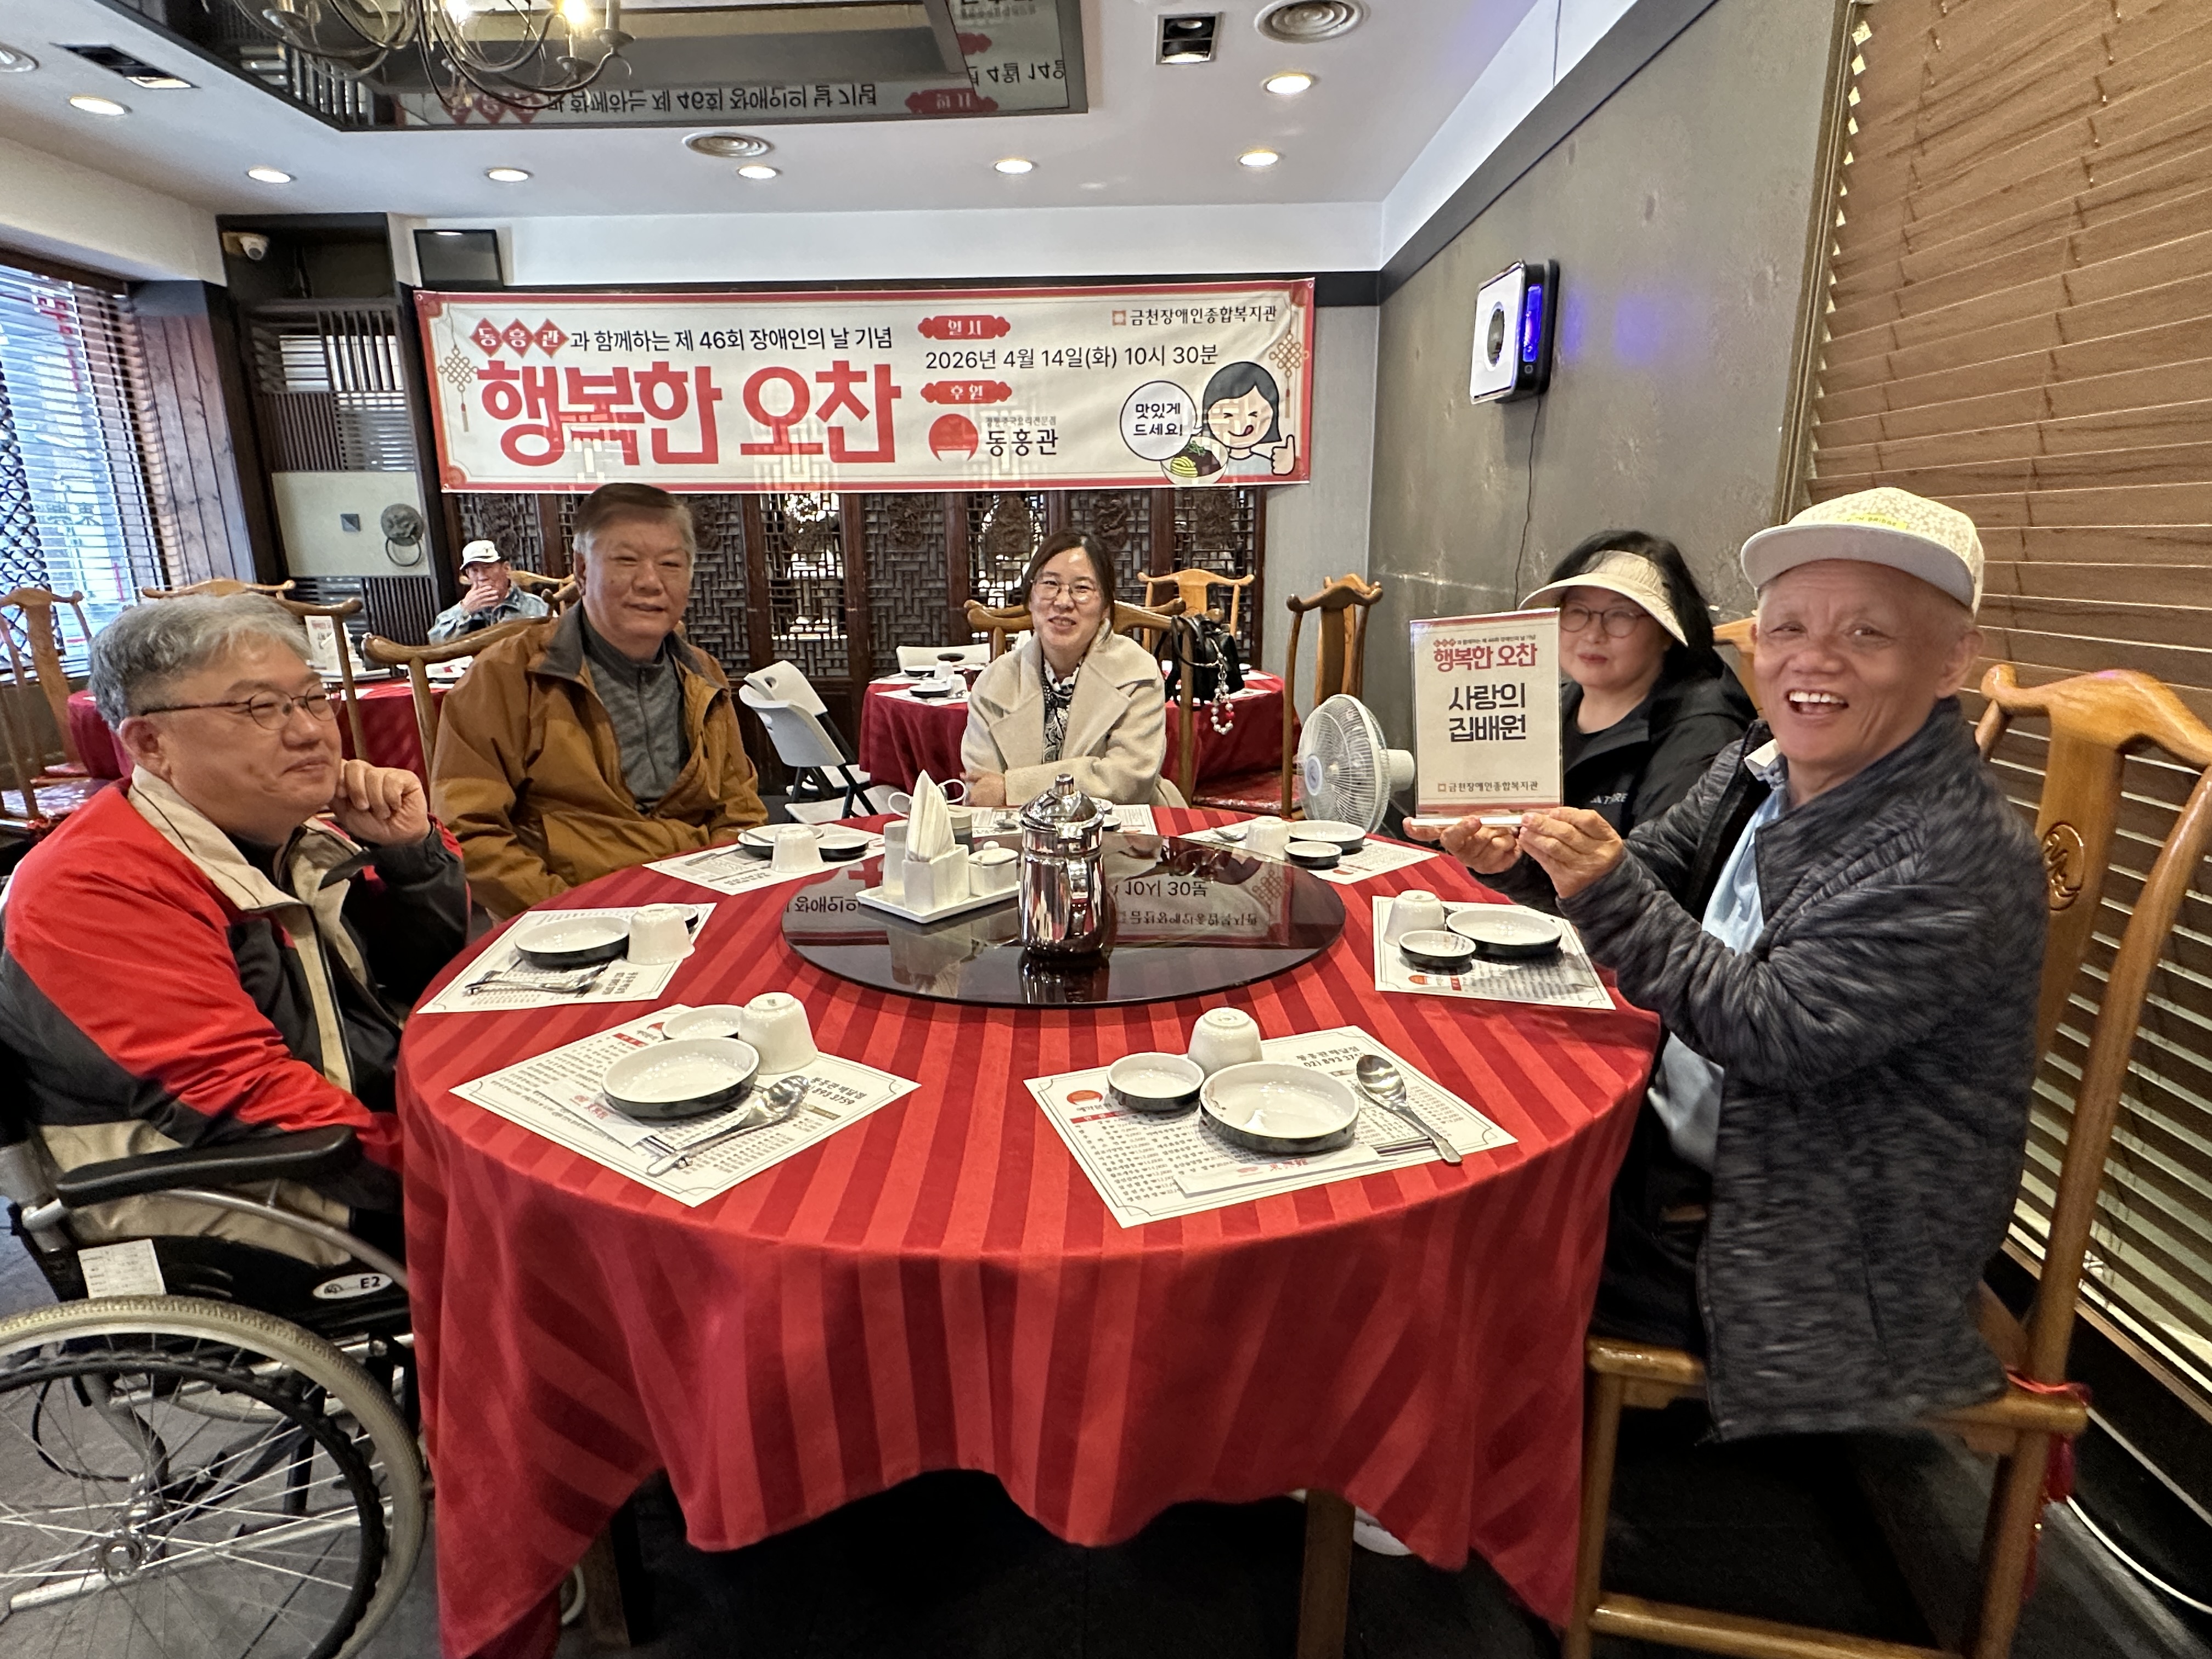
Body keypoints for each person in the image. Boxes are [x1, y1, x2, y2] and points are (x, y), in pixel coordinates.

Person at [1412, 487, 2045, 1437]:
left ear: (1952, 657)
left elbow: (1774, 1031)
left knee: (1447, 1221)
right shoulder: (1763, 760)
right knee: (1443, 1096)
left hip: (1797, 1246)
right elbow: (1651, 868)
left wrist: (1603, 886)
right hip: (1680, 1145)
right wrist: (1531, 863)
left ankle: (1442, 1468)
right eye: (1787, 627)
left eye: (1866, 632)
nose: (1812, 659)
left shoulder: (1951, 851)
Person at [0, 595, 467, 1257]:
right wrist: (457, 1170)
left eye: (312, 699)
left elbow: (425, 975)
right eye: (259, 708)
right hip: (239, 1184)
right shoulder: (95, 887)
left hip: (354, 1119)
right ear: (150, 743)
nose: (310, 732)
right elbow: (241, 1100)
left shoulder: (290, 834)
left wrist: (408, 854)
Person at [432, 481, 766, 918]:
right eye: (626, 560)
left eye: (671, 564)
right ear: (582, 569)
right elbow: (468, 829)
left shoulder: (703, 674)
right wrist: (574, 914)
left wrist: (719, 899)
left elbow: (739, 809)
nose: (650, 582)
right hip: (571, 918)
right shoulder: (507, 675)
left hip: (697, 906)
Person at [1486, 532, 1753, 911]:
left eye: (1621, 615)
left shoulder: (1705, 732)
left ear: (1666, 632)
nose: (1593, 634)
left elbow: (1655, 886)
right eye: (1577, 612)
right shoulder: (1546, 704)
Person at [961, 529, 1176, 807]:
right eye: (1050, 584)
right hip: (1017, 831)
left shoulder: (1137, 672)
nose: (1063, 602)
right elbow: (984, 790)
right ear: (1030, 598)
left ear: (1105, 607)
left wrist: (1012, 788)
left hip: (1121, 828)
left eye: (1082, 589)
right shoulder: (995, 682)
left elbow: (1127, 782)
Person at [428, 539, 551, 642]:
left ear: (506, 569)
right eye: (475, 571)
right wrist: (465, 611)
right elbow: (435, 643)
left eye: (488, 568)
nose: (482, 577)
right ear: (468, 575)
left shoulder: (536, 607)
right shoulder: (462, 610)